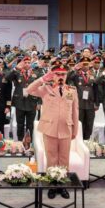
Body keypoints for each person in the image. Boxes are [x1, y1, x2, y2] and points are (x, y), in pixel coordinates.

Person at [27, 61, 78, 199]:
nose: (60, 76)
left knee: (64, 158)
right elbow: (29, 90)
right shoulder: (46, 89)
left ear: (66, 76)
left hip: (66, 128)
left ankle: (62, 185)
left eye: (63, 74)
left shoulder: (72, 90)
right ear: (53, 75)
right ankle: (52, 185)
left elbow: (75, 111)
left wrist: (75, 130)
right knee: (51, 158)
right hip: (49, 128)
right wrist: (42, 79)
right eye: (57, 74)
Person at [67, 57, 98, 140]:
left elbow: (96, 89)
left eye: (87, 64)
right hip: (79, 103)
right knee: (79, 122)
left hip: (90, 103)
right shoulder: (76, 75)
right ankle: (78, 140)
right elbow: (68, 79)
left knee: (89, 123)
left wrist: (96, 103)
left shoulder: (93, 74)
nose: (85, 66)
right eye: (84, 64)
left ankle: (86, 140)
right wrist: (74, 69)